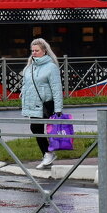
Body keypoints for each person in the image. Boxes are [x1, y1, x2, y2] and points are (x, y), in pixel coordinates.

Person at [20, 38, 64, 169]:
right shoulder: (30, 66)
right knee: (36, 128)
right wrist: (23, 91)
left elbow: (56, 88)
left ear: (44, 51)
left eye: (37, 50)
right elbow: (26, 82)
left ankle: (48, 153)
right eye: (32, 50)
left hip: (46, 104)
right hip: (33, 103)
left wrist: (58, 108)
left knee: (41, 129)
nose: (34, 53)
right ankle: (48, 153)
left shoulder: (51, 67)